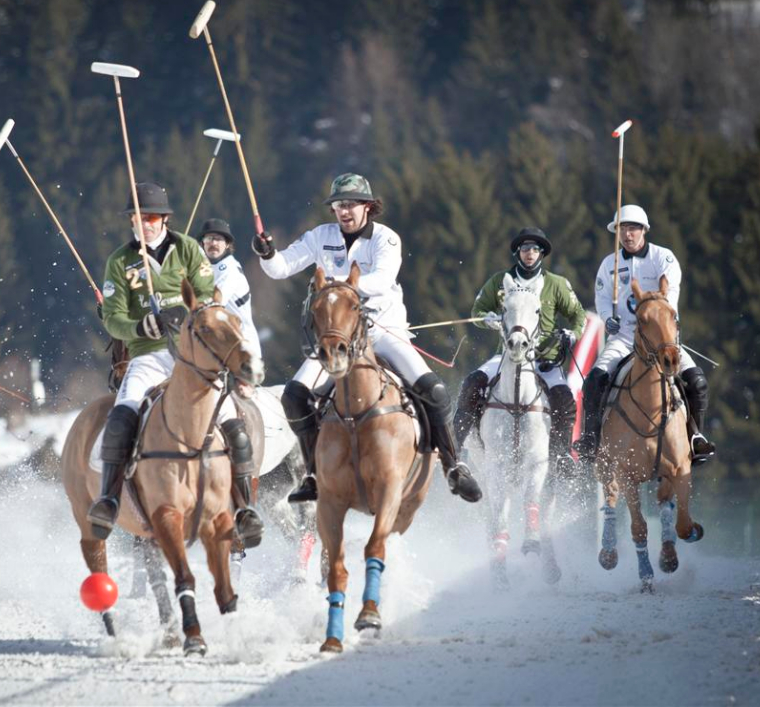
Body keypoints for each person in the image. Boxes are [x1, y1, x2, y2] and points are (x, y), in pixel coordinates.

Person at [251, 173, 482, 504]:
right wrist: (268, 253)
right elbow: (280, 268)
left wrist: (337, 285)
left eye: (351, 205)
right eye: (338, 206)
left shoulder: (386, 240)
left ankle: (452, 464)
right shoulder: (321, 236)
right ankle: (313, 473)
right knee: (294, 396)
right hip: (338, 338)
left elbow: (381, 279)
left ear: (368, 207)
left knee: (434, 390)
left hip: (383, 333)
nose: (344, 211)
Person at [87, 183, 265, 546]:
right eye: (137, 218)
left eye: (151, 217)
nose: (144, 224)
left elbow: (205, 296)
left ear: (164, 218)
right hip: (147, 356)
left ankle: (245, 508)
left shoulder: (187, 249)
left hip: (190, 355)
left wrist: (180, 311)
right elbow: (112, 318)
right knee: (124, 411)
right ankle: (108, 498)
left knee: (232, 418)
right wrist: (140, 325)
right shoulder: (120, 261)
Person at [574, 205, 716, 465]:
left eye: (633, 228)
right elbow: (602, 298)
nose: (627, 234)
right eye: (622, 229)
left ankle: (695, 435)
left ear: (644, 230)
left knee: (697, 382)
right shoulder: (610, 264)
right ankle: (590, 439)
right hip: (625, 336)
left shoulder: (664, 257)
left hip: (661, 338)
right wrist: (608, 319)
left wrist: (661, 315)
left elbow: (670, 290)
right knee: (594, 380)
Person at [453, 227, 586, 476]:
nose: (530, 253)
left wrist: (573, 334)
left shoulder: (557, 284)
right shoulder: (499, 281)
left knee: (564, 399)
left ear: (542, 253)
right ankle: (457, 455)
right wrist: (488, 319)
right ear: (518, 251)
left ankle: (561, 456)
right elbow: (477, 311)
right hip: (506, 355)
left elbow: (578, 315)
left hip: (544, 359)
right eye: (525, 248)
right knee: (472, 383)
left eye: (535, 249)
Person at [197, 218, 262, 362]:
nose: (213, 243)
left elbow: (213, 305)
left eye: (219, 239)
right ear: (202, 243)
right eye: (209, 238)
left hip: (242, 348)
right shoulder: (205, 268)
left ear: (227, 244)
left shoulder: (229, 270)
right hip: (219, 347)